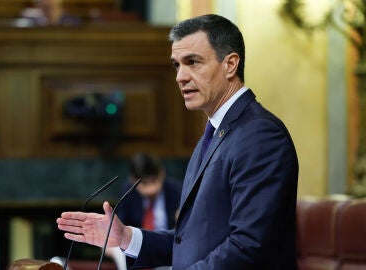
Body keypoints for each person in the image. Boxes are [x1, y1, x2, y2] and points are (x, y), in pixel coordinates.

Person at [57, 14, 299, 269]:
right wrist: (127, 237)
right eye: (177, 65)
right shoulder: (217, 133)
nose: (180, 77)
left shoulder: (259, 134)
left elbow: (249, 246)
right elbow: (192, 242)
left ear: (230, 64)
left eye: (192, 62)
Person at [106, 152, 181, 270]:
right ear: (133, 179)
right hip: (137, 248)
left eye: (154, 180)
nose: (151, 189)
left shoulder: (176, 191)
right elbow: (122, 225)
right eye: (145, 183)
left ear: (162, 173)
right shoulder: (127, 192)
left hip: (166, 250)